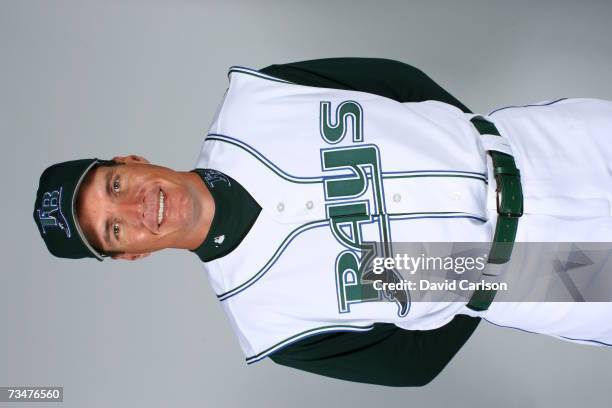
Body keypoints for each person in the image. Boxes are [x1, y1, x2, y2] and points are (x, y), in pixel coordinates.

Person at [33, 58, 612, 387]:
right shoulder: (265, 318)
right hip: (544, 274)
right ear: (130, 254)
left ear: (130, 162)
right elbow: (410, 364)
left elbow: (396, 85)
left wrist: (463, 144)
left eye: (115, 186)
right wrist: (479, 278)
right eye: (114, 229)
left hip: (544, 147)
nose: (136, 209)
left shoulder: (255, 102)